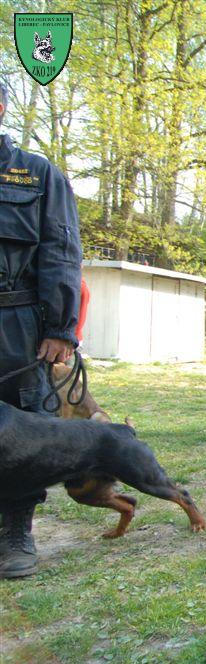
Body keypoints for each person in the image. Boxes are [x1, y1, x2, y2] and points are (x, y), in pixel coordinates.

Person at [0, 84, 82, 579]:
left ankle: (16, 530)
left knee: (23, 431)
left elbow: (61, 251)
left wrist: (60, 327)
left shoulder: (36, 173)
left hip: (15, 323)